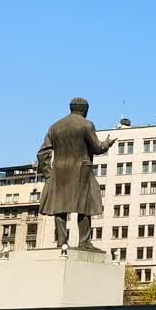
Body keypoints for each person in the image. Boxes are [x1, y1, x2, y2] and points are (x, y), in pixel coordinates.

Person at [36, 97, 116, 251]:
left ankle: (61, 241)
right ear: (85, 109)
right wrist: (107, 143)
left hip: (59, 172)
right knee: (86, 205)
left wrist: (48, 173)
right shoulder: (86, 125)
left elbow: (42, 153)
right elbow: (97, 148)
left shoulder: (55, 126)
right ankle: (84, 242)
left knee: (59, 206)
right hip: (81, 171)